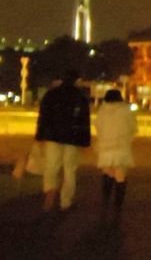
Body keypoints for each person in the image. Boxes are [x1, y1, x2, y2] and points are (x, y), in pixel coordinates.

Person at [35, 69, 92, 212]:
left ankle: (50, 192)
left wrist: (40, 136)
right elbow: (84, 121)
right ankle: (65, 202)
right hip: (72, 138)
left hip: (52, 136)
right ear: (76, 80)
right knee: (69, 170)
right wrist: (85, 141)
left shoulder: (51, 94)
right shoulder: (80, 96)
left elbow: (43, 117)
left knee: (51, 167)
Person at [95, 88, 138, 218]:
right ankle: (117, 205)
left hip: (105, 148)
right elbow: (133, 129)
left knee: (107, 174)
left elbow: (98, 127)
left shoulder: (102, 111)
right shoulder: (126, 111)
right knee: (120, 177)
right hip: (121, 148)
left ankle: (106, 201)